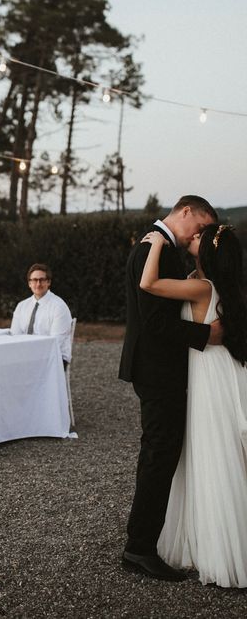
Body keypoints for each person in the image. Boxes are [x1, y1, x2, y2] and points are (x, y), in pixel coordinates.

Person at [139, 224, 247, 588]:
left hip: (209, 380)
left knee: (213, 455)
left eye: (200, 238)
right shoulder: (214, 286)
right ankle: (216, 542)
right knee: (219, 454)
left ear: (210, 253)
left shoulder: (201, 288)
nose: (191, 238)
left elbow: (149, 284)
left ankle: (222, 550)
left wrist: (155, 245)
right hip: (217, 372)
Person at [118, 195, 219, 581]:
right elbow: (154, 324)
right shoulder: (152, 250)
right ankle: (139, 548)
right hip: (157, 371)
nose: (200, 235)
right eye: (200, 227)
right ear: (186, 211)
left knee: (160, 453)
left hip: (156, 369)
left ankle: (144, 542)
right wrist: (206, 334)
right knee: (159, 455)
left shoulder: (157, 247)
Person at [10, 263, 73, 367]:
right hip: (26, 356)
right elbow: (15, 335)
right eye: (34, 280)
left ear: (48, 282)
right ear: (29, 283)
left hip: (54, 358)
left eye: (42, 280)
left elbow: (55, 343)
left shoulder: (59, 307)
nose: (38, 284)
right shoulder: (22, 306)